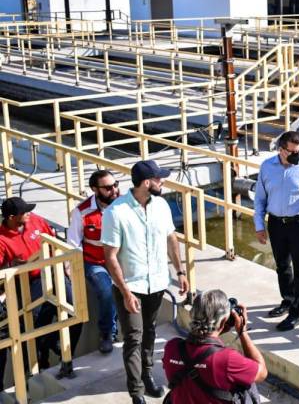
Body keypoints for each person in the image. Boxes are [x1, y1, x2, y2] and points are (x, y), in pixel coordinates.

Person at [101, 160, 189, 404]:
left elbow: (171, 238)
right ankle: (136, 392)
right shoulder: (115, 212)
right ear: (146, 182)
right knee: (133, 338)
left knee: (149, 331)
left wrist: (180, 272)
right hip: (130, 286)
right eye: (159, 178)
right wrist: (126, 292)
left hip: (157, 283)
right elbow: (110, 257)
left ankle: (147, 374)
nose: (163, 181)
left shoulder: (161, 205)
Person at [0, 197, 83, 381]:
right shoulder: (2, 238)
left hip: (54, 273)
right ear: (12, 217)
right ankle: (37, 366)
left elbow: (53, 242)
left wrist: (64, 267)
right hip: (29, 284)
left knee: (76, 313)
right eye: (25, 212)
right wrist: (11, 265)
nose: (29, 213)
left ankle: (64, 353)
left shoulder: (36, 220)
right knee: (33, 327)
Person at [253, 131, 299, 331]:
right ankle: (288, 300)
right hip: (276, 222)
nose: (297, 155)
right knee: (282, 265)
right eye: (293, 152)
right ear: (281, 150)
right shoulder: (267, 167)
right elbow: (260, 198)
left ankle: (297, 313)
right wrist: (259, 225)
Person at [162, 290, 267, 403]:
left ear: (192, 315)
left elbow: (199, 350)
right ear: (223, 323)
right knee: (248, 383)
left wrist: (217, 330)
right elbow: (261, 373)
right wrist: (243, 332)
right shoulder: (228, 359)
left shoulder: (172, 347)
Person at [67, 170, 120, 354]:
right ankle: (107, 333)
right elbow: (73, 243)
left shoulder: (125, 205)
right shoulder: (81, 212)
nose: (114, 190)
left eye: (115, 185)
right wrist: (70, 268)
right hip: (95, 262)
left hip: (120, 259)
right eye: (107, 188)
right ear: (94, 189)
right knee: (106, 291)